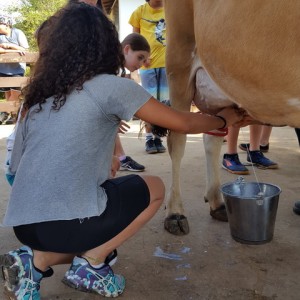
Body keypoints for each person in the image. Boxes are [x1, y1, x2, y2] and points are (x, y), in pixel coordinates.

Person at [0, 3, 244, 299]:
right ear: (105, 44)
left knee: (94, 218)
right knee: (153, 188)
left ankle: (34, 263)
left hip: (23, 225)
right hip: (64, 226)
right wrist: (223, 119)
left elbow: (13, 169)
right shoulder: (111, 87)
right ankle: (91, 264)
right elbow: (182, 120)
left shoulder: (38, 99)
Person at [129, 0, 169, 154]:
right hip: (147, 66)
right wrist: (142, 59)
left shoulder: (170, 10)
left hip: (167, 64)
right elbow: (134, 39)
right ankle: (148, 138)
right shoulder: (139, 12)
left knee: (164, 102)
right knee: (148, 101)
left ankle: (158, 137)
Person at [114, 33, 151, 172]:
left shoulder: (117, 69)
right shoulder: (109, 67)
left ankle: (119, 157)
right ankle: (120, 158)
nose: (141, 64)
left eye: (144, 60)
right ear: (127, 49)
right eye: (140, 57)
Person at [0, 15, 29, 124]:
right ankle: (12, 116)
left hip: (17, 69)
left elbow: (25, 49)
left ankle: (4, 113)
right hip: (3, 69)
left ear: (6, 24)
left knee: (15, 94)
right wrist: (10, 50)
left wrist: (8, 46)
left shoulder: (18, 33)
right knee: (8, 94)